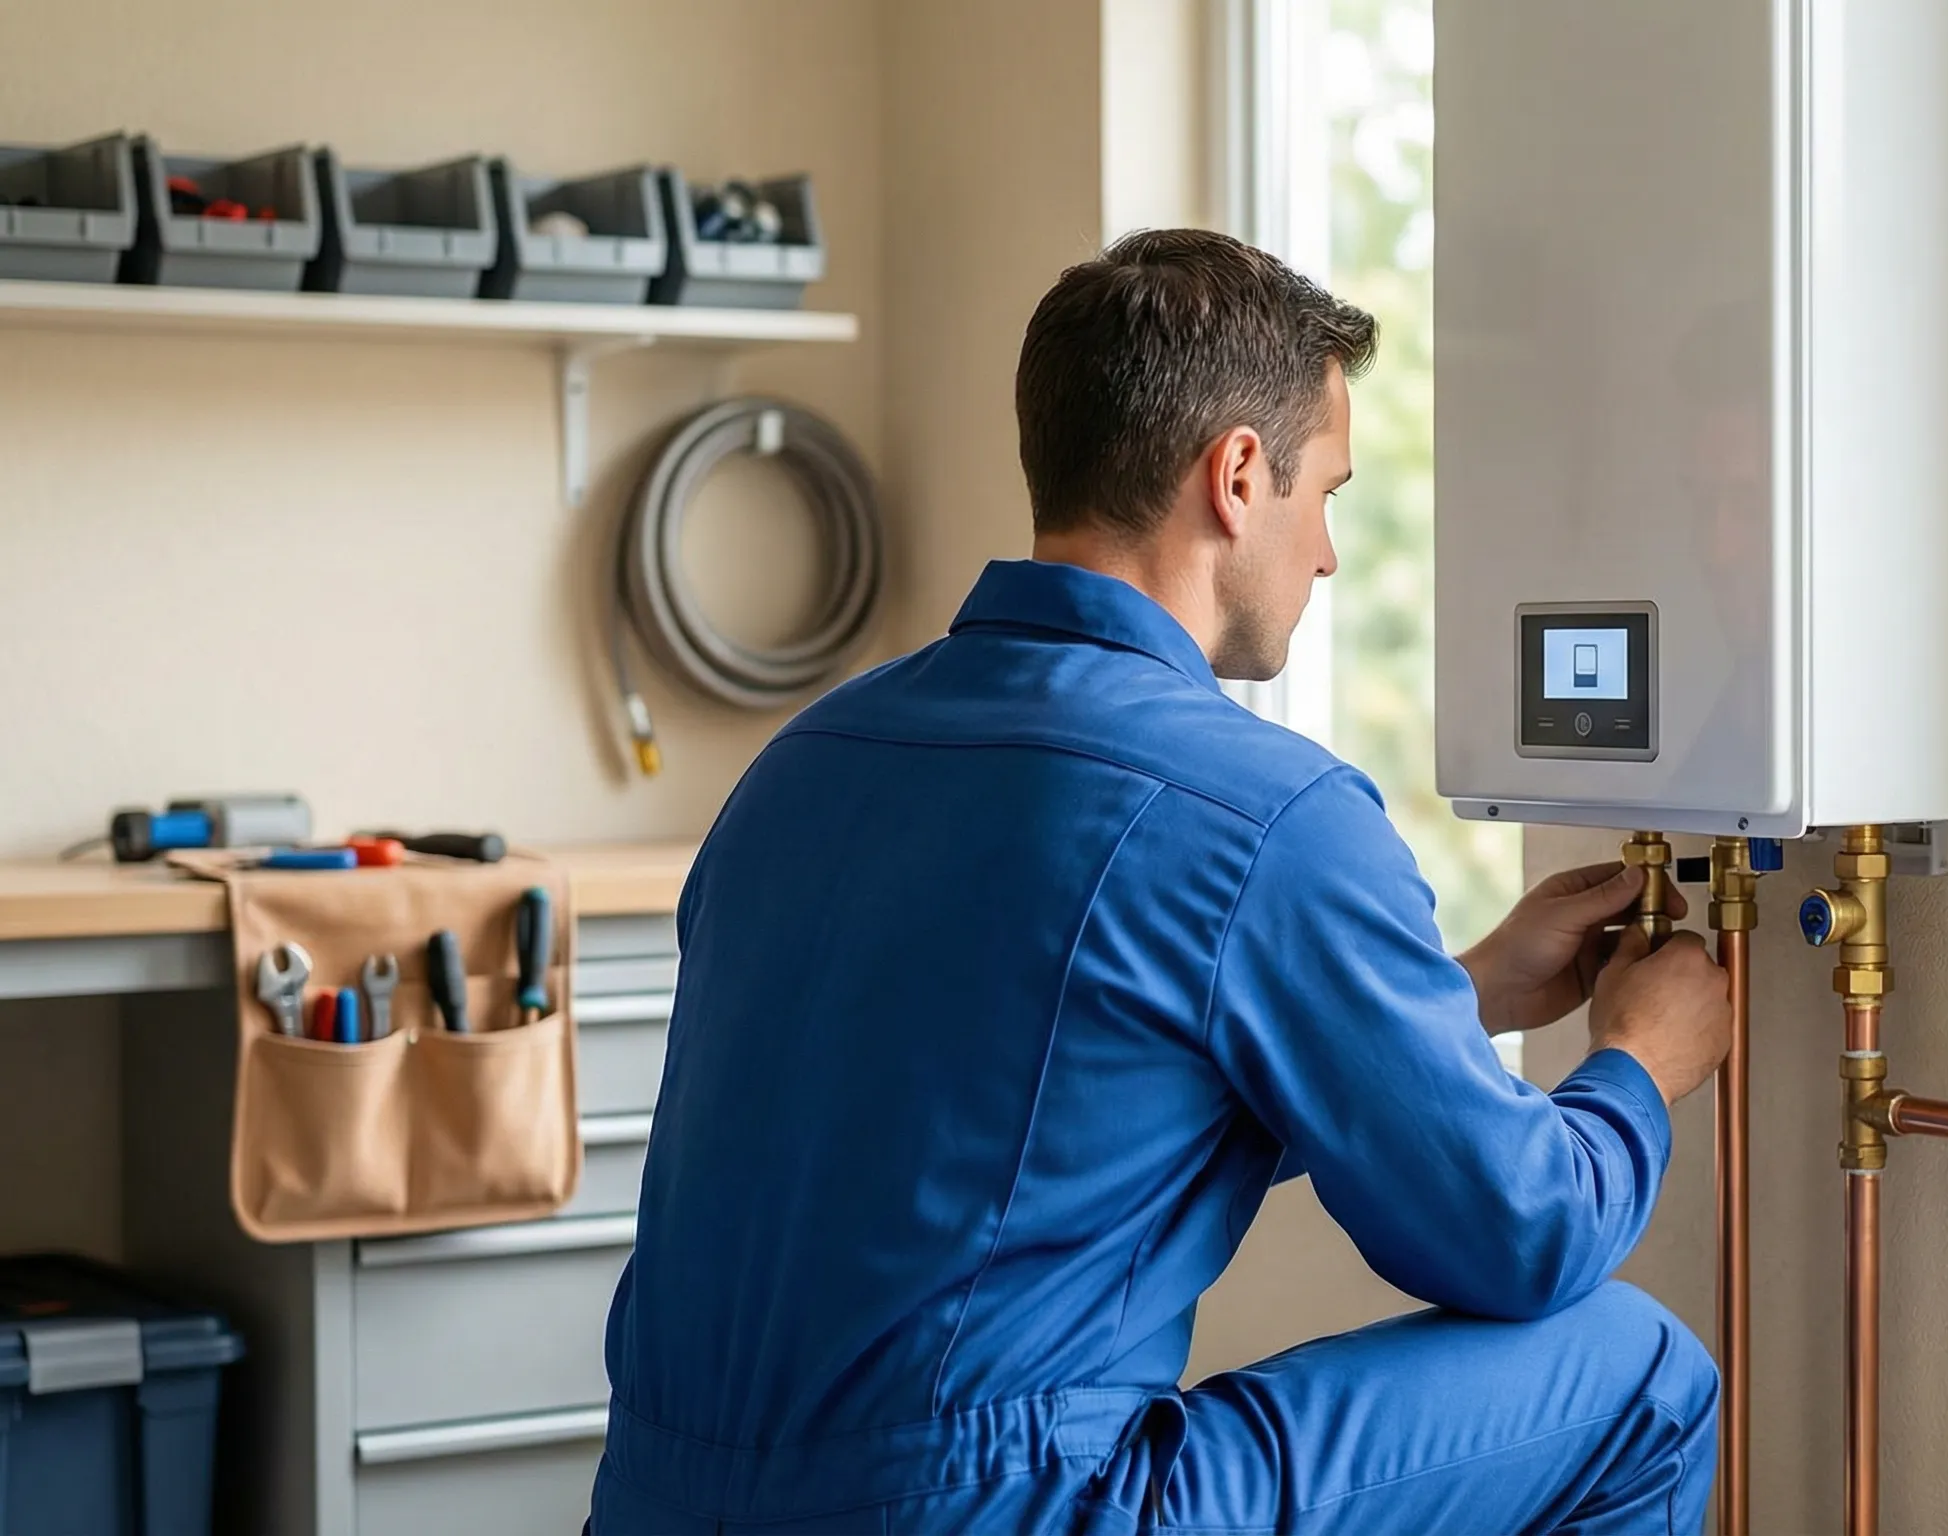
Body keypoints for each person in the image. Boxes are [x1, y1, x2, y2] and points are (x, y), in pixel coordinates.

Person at [591, 228, 1734, 1535]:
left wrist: (1457, 993)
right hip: (997, 1506)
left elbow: (1057, 1112)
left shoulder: (805, 764)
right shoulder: (1262, 810)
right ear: (1239, 476)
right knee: (1638, 1379)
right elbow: (1514, 1234)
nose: (1328, 558)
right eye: (1329, 497)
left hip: (663, 1502)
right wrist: (1641, 1060)